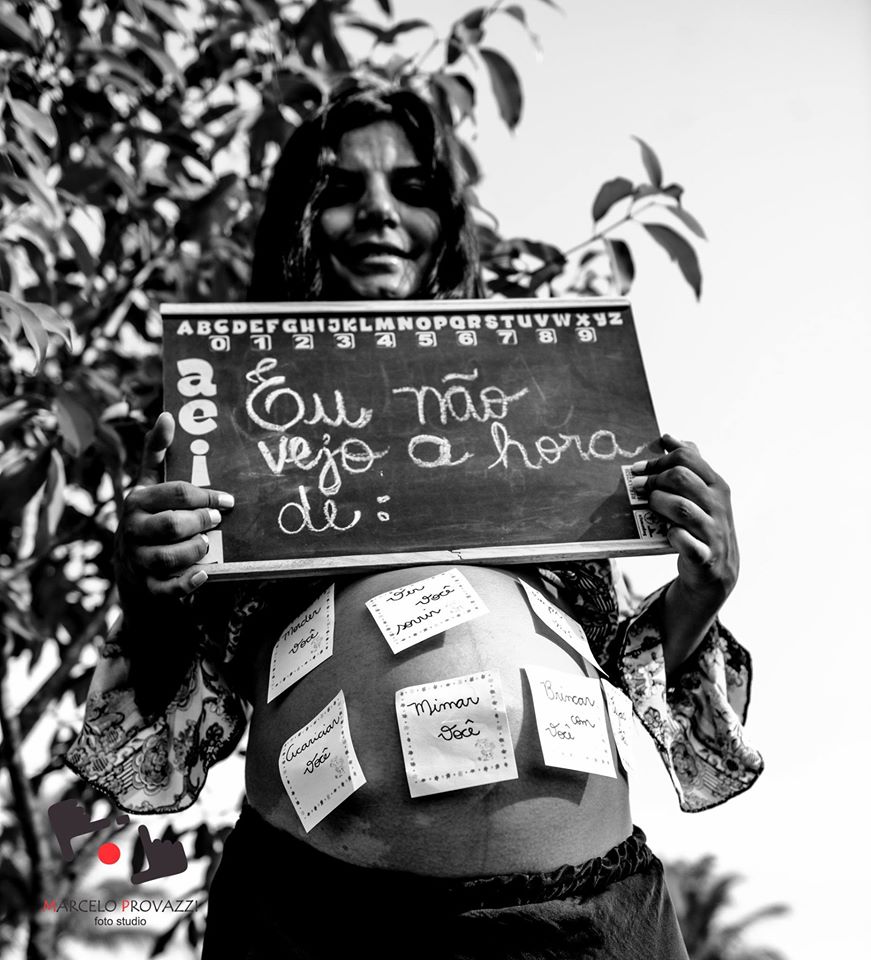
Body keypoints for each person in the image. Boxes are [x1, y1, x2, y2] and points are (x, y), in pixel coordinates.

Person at [65, 81, 762, 959]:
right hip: (319, 925)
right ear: (297, 222)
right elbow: (168, 735)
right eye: (341, 190)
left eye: (411, 188)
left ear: (448, 222)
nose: (378, 212)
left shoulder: (533, 402)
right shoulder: (230, 428)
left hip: (590, 923)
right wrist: (150, 591)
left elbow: (618, 661)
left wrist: (700, 589)